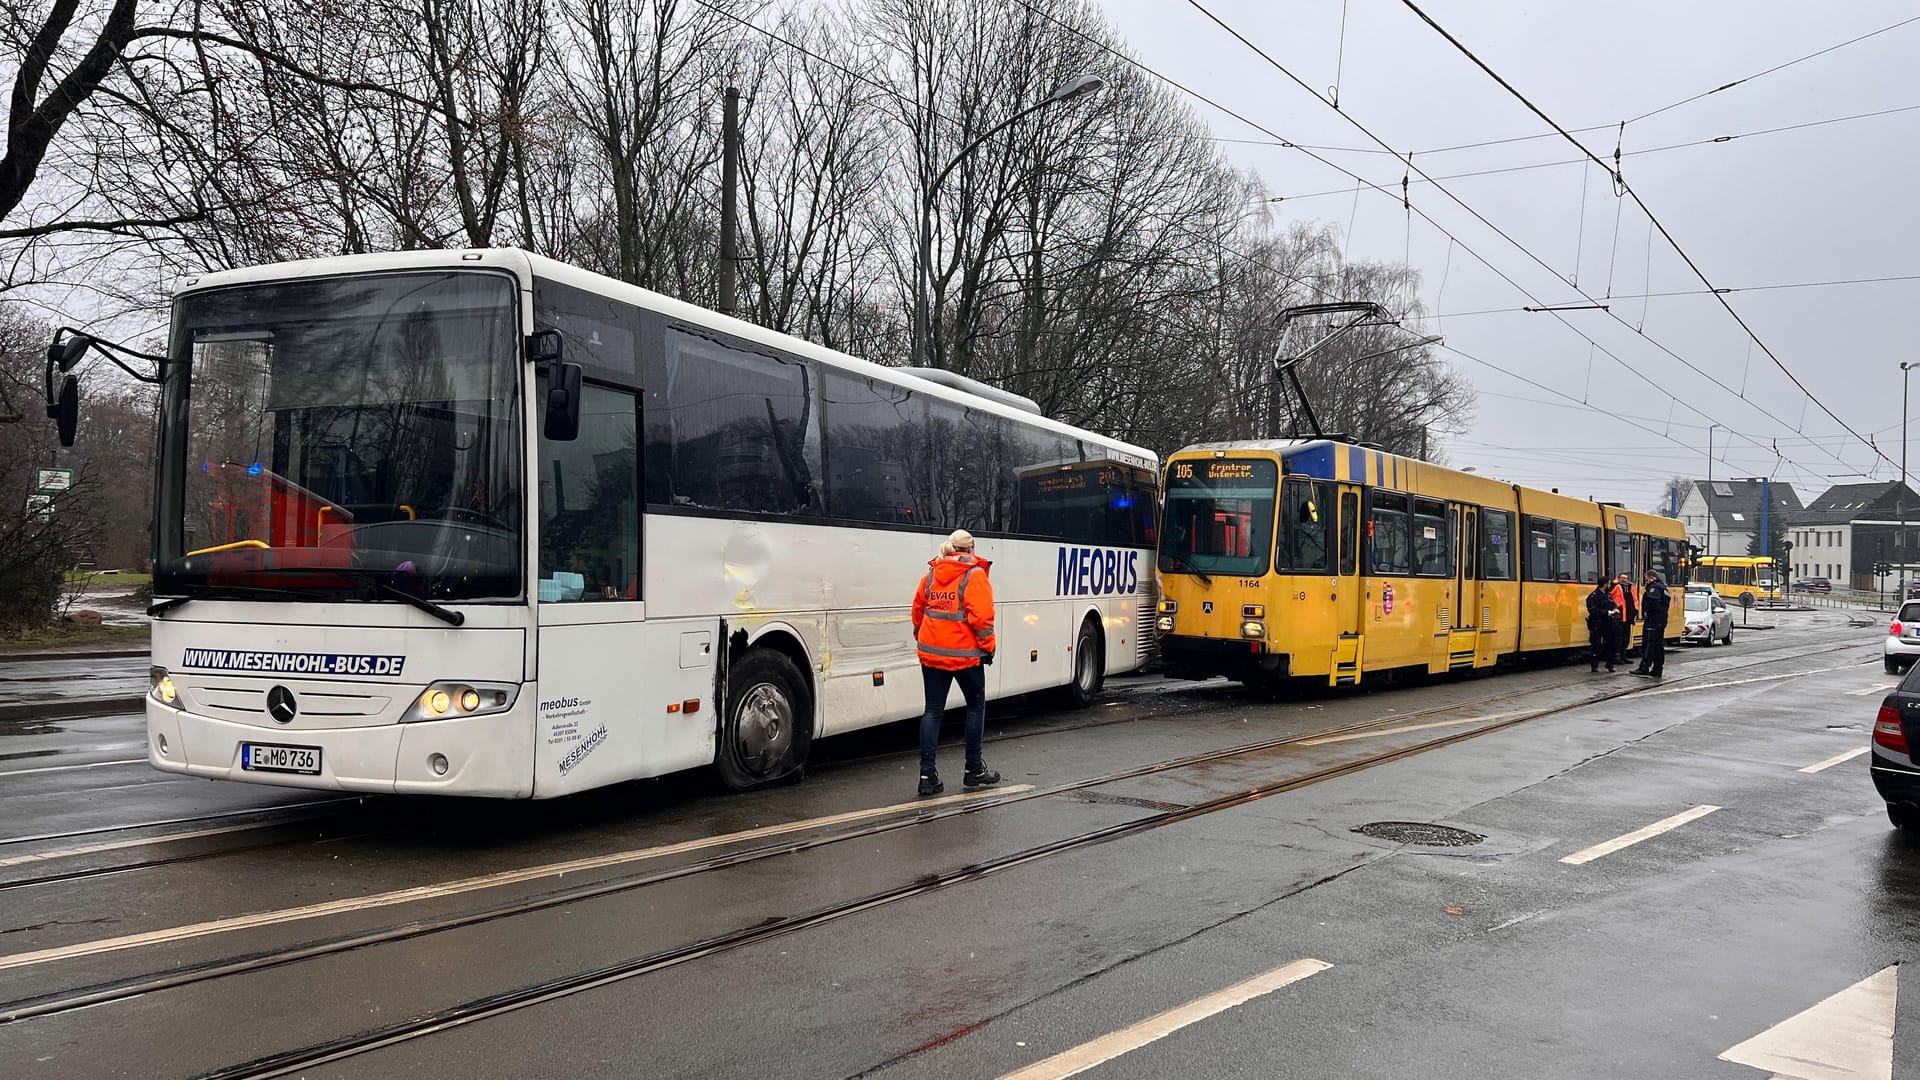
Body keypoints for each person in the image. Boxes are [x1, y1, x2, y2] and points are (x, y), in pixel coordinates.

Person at [911, 530, 1001, 796]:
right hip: (965, 657)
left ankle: (927, 776)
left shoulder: (931, 575)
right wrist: (989, 648)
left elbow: (918, 612)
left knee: (933, 712)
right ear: (971, 548)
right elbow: (982, 619)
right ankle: (973, 770)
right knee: (975, 707)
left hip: (931, 655)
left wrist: (923, 635)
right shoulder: (974, 575)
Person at [1632, 572, 1671, 677]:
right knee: (1658, 645)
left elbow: (1654, 603)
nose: (1646, 582)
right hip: (1661, 620)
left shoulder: (1654, 588)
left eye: (1647, 579)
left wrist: (1647, 612)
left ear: (1652, 578)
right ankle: (1657, 668)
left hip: (1653, 621)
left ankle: (1644, 667)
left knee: (1649, 644)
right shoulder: (1664, 588)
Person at [1585, 580, 1618, 672]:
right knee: (1596, 644)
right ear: (1604, 584)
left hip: (1609, 623)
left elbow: (1613, 604)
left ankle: (1610, 664)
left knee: (1610, 644)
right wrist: (1606, 612)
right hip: (1597, 623)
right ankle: (1594, 665)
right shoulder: (1594, 596)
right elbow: (1592, 609)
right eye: (1609, 583)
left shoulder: (1608, 595)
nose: (1610, 585)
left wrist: (1615, 609)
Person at [1608, 572, 1637, 667]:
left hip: (1628, 617)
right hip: (1619, 617)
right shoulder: (1616, 586)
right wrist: (1613, 584)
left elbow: (1635, 599)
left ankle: (1623, 655)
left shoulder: (1631, 587)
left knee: (1625, 637)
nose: (1624, 579)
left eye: (1625, 578)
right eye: (1622, 578)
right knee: (1618, 637)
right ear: (1619, 578)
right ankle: (1617, 656)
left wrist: (1635, 611)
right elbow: (1611, 594)